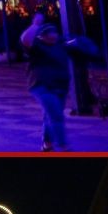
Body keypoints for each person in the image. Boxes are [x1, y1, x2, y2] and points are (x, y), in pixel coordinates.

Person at [21, 12, 93, 151]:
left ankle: (47, 143)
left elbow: (84, 52)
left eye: (54, 32)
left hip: (60, 86)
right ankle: (63, 146)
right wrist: (35, 25)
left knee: (51, 114)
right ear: (42, 35)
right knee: (56, 115)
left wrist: (83, 46)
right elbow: (25, 39)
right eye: (49, 32)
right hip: (42, 86)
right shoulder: (37, 46)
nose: (53, 35)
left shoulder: (62, 45)